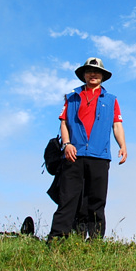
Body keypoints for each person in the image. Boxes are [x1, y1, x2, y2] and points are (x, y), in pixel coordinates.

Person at [47, 57, 127, 241]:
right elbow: (64, 123)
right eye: (90, 71)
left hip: (100, 156)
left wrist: (122, 146)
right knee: (68, 198)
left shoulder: (111, 100)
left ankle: (96, 239)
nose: (93, 75)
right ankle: (58, 237)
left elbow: (117, 125)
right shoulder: (72, 97)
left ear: (102, 76)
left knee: (97, 200)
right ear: (84, 75)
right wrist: (67, 144)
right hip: (74, 155)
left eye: (97, 72)